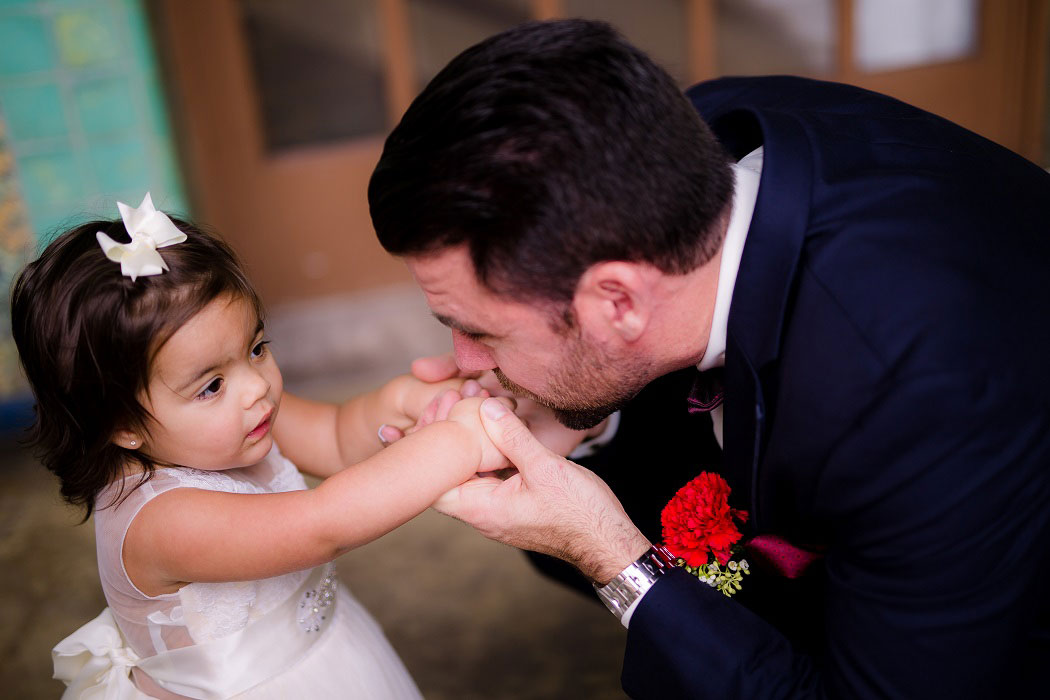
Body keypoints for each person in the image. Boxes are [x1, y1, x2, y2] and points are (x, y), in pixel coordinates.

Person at [367, 19, 1050, 699]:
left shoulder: (917, 396)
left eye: (480, 331)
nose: (461, 359)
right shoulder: (697, 138)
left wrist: (610, 555)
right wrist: (583, 427)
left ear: (618, 302)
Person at [9, 194, 514, 699]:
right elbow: (325, 524)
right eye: (211, 385)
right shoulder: (160, 522)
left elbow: (338, 435)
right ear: (122, 425)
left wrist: (405, 401)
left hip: (332, 658)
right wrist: (458, 442)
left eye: (256, 348)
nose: (256, 387)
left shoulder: (237, 420)